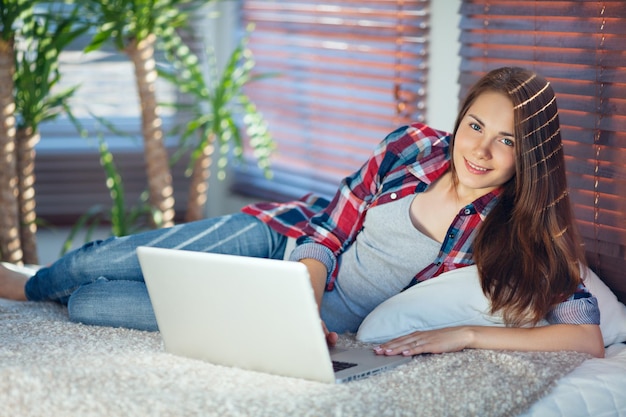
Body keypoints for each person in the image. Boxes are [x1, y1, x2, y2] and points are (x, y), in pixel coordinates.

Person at [0, 67, 604, 358]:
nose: (480, 149)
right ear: (460, 117)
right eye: (476, 124)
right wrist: (303, 296)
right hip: (280, 242)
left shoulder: (519, 232)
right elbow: (331, 226)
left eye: (506, 140)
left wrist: (468, 333)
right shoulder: (415, 145)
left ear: (530, 155)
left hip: (312, 320)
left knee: (92, 303)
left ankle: (54, 288)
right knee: (97, 261)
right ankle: (26, 285)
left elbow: (587, 339)